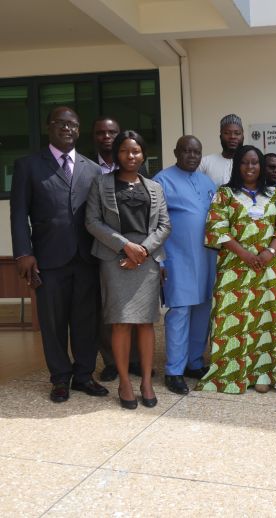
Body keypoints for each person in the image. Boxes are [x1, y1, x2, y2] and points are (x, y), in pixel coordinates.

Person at [11, 106, 108, 403]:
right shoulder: (28, 165)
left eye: (73, 125)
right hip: (47, 259)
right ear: (49, 127)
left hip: (86, 259)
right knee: (53, 323)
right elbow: (17, 215)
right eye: (61, 123)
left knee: (86, 321)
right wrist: (23, 253)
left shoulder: (92, 169)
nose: (67, 129)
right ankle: (60, 379)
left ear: (79, 131)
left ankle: (83, 375)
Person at [196, 145, 276, 394]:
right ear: (237, 166)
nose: (250, 167)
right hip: (235, 269)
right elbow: (217, 229)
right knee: (235, 322)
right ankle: (236, 374)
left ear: (261, 166)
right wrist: (246, 255)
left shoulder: (275, 194)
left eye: (254, 163)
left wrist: (268, 252)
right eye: (245, 163)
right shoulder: (225, 194)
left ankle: (263, 372)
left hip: (268, 271)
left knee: (267, 320)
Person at [85, 130, 171, 409]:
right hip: (114, 261)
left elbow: (165, 225)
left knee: (146, 323)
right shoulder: (101, 183)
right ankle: (124, 381)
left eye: (135, 151)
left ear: (143, 154)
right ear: (116, 153)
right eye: (124, 150)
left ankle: (145, 381)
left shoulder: (154, 187)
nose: (130, 156)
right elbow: (93, 222)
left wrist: (142, 250)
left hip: (146, 262)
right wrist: (126, 247)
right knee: (120, 323)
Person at [154, 136, 217, 395]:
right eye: (187, 151)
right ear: (175, 152)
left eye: (197, 152)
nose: (192, 156)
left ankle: (194, 362)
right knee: (179, 312)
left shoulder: (207, 181)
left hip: (207, 259)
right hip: (176, 259)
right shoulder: (162, 180)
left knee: (202, 310)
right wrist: (159, 260)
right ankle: (174, 370)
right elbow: (154, 223)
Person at [91, 116, 142, 382]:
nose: (107, 137)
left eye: (112, 132)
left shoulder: (139, 176)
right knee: (106, 309)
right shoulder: (88, 169)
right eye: (101, 133)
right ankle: (111, 361)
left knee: (133, 306)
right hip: (101, 250)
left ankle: (133, 360)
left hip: (138, 255)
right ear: (94, 137)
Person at [199, 114, 244, 187]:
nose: (232, 137)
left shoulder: (250, 164)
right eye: (227, 133)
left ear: (242, 137)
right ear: (220, 137)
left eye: (237, 133)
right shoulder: (205, 162)